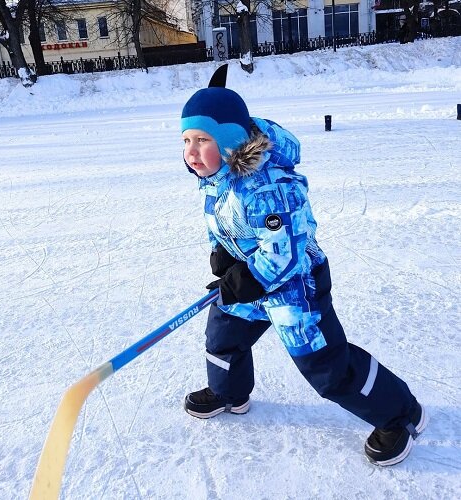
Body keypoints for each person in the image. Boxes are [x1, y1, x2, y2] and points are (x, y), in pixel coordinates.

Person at [180, 65, 427, 466]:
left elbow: (287, 251)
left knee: (327, 368)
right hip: (249, 279)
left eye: (203, 139)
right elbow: (225, 221)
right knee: (223, 336)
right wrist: (222, 254)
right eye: (186, 139)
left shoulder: (269, 185)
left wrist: (247, 276)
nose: (191, 151)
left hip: (294, 287)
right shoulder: (219, 175)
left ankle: (401, 414)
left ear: (229, 142)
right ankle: (230, 392)